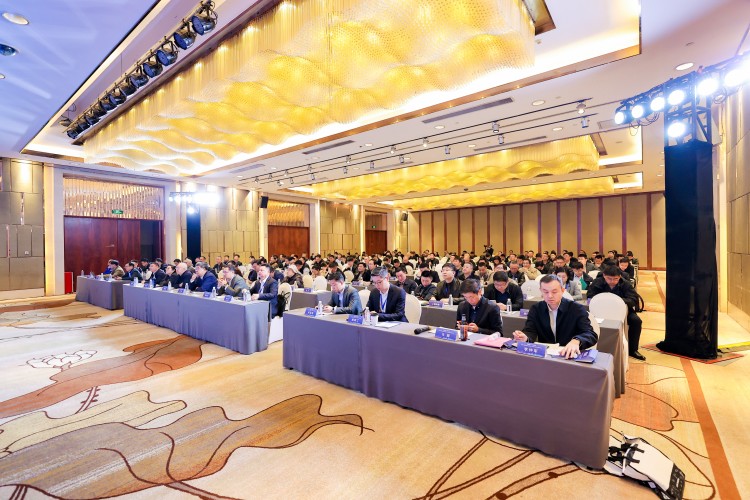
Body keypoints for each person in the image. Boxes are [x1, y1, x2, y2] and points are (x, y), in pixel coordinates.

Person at [512, 275, 598, 359]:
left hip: (569, 355)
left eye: (554, 292)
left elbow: (590, 334)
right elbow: (530, 331)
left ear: (562, 290)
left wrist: (576, 341)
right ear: (540, 291)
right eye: (546, 292)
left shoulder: (576, 309)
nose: (550, 296)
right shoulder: (536, 309)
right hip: (546, 356)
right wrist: (525, 337)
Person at [587, 266, 645, 360]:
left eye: (615, 279)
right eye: (609, 278)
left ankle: (633, 349)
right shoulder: (597, 282)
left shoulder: (625, 284)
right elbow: (590, 296)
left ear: (620, 276)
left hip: (623, 311)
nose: (612, 281)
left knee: (636, 321)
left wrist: (616, 301)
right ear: (604, 275)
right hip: (601, 311)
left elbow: (633, 299)